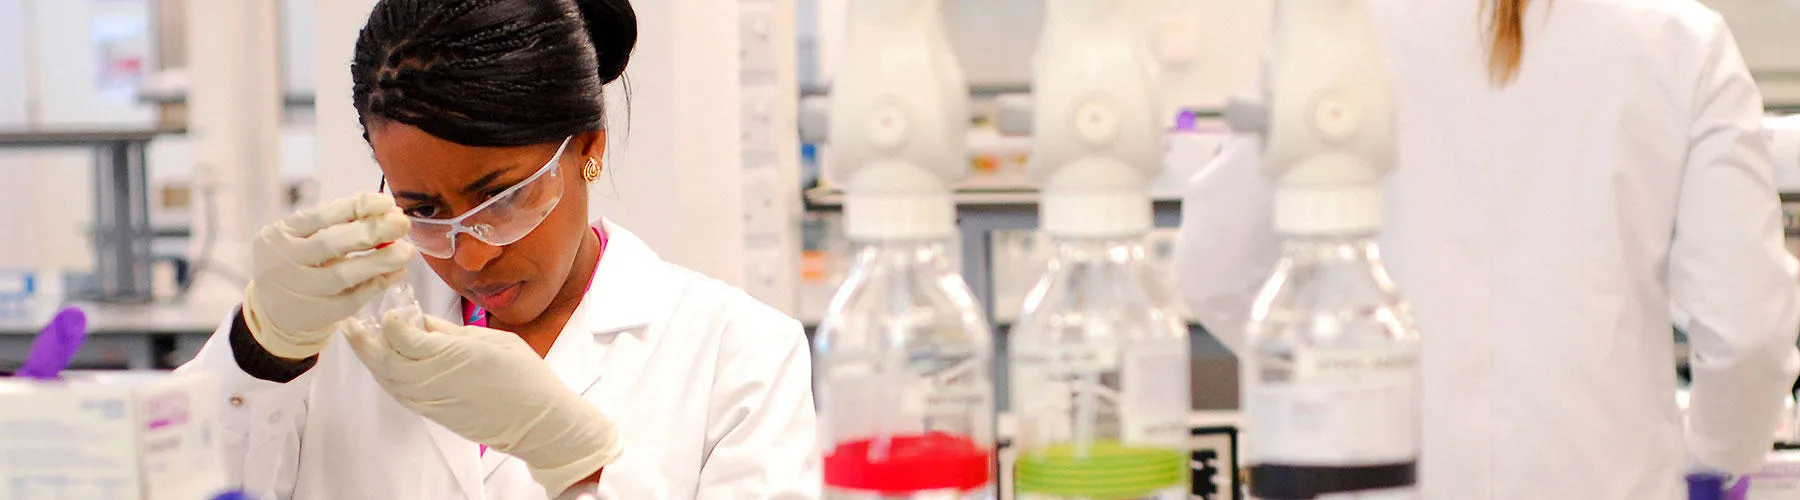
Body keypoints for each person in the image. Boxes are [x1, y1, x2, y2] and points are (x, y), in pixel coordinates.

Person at [175, 0, 821, 498]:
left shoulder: (740, 356)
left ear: (588, 148)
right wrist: (262, 349)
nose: (471, 256)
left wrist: (580, 459)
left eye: (503, 200)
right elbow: (171, 475)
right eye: (423, 212)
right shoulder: (334, 336)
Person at [1176, 0, 1799, 498]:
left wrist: (1341, 379)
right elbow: (1748, 330)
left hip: (1377, 476)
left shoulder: (1336, 29)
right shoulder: (1681, 40)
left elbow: (1215, 265)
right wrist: (1713, 461)